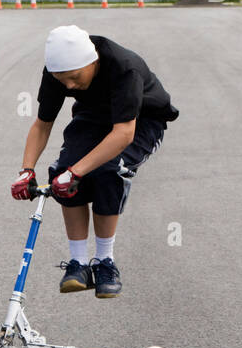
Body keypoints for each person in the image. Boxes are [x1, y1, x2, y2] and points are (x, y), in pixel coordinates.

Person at [10, 25, 178, 298]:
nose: (69, 86)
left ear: (93, 61)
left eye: (75, 78)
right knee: (61, 172)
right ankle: (78, 263)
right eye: (62, 80)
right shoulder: (59, 71)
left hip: (142, 120)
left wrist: (77, 173)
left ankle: (104, 261)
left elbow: (124, 133)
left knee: (108, 171)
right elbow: (42, 124)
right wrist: (26, 170)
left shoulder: (125, 68)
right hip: (94, 115)